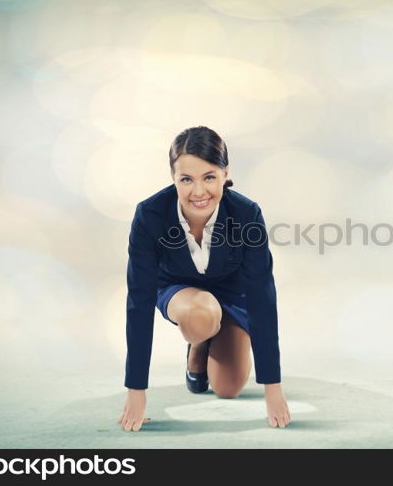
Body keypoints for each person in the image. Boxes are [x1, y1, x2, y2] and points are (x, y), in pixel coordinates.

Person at [117, 126, 291, 431]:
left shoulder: (247, 213)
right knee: (202, 313)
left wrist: (272, 388)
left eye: (209, 177)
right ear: (173, 177)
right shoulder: (150, 214)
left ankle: (210, 337)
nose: (198, 192)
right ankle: (198, 342)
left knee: (228, 388)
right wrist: (136, 391)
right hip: (179, 290)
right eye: (186, 179)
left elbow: (262, 294)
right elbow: (139, 301)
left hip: (232, 293)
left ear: (225, 173)